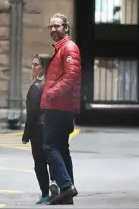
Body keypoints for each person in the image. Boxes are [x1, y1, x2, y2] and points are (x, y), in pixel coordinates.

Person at [40, 13, 81, 205]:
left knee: (50, 146)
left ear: (66, 28)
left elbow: (72, 76)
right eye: (51, 27)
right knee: (62, 148)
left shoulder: (69, 48)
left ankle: (66, 186)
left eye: (57, 26)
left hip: (59, 107)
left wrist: (52, 93)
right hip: (61, 106)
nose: (53, 30)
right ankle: (68, 191)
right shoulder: (61, 49)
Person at [22, 53, 59, 204]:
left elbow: (32, 114)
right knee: (52, 159)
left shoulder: (36, 88)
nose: (33, 67)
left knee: (40, 163)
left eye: (36, 65)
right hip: (53, 127)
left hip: (39, 129)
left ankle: (45, 194)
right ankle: (55, 182)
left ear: (43, 69)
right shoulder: (54, 86)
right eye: (32, 64)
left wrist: (26, 134)